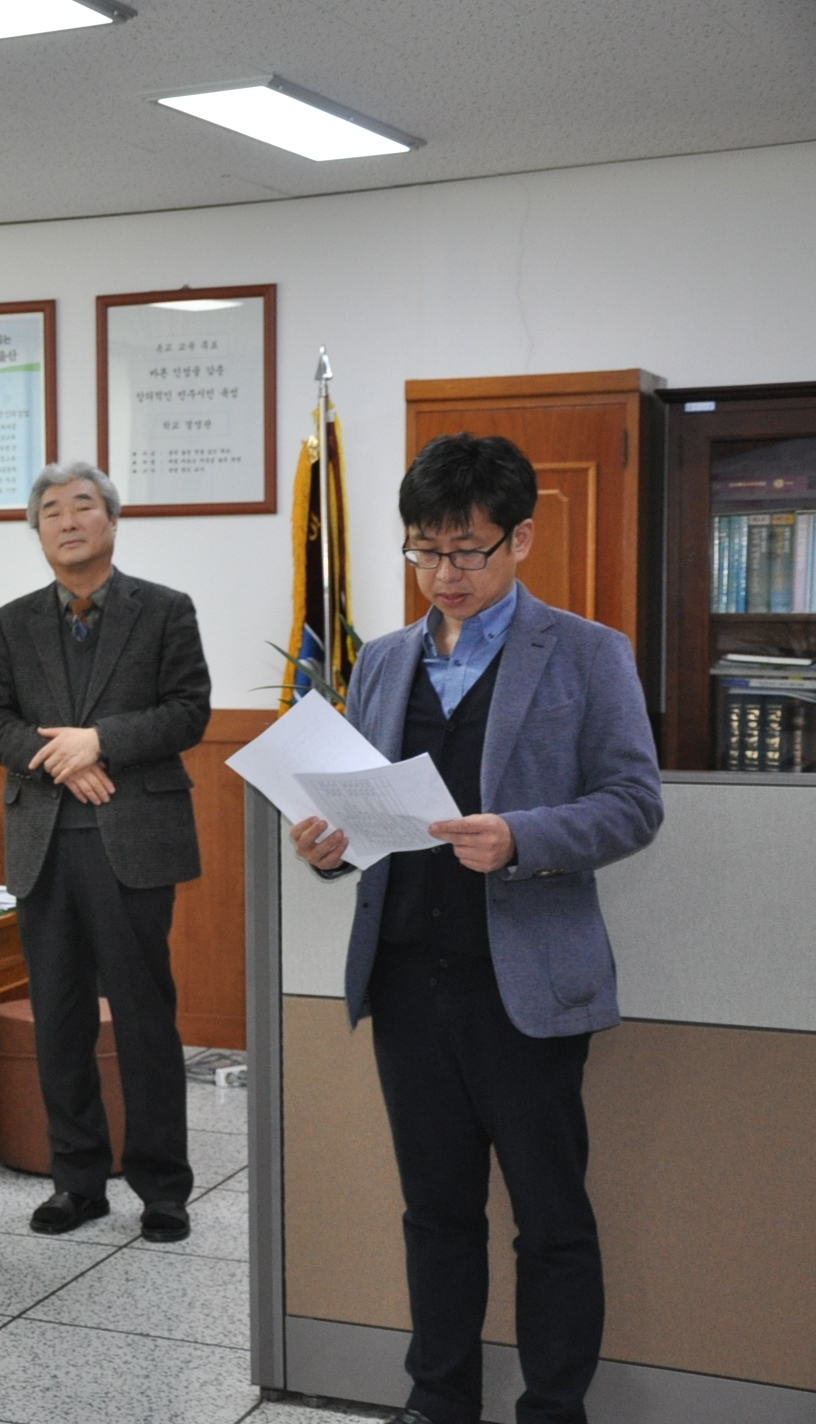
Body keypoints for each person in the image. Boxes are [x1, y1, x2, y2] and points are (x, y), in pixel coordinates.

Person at [290, 434, 662, 1424]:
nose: (443, 574)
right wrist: (327, 847)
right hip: (406, 977)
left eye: (466, 551)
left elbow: (633, 803)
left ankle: (552, 1407)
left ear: (520, 539)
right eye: (424, 551)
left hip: (524, 986)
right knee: (435, 1212)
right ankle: (438, 1398)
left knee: (550, 1219)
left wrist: (522, 836)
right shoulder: (382, 661)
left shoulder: (586, 652)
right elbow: (361, 812)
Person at [0, 460, 211, 1243]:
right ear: (37, 531)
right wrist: (61, 760)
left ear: (111, 519)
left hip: (133, 841)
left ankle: (163, 1189)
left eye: (82, 506)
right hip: (44, 843)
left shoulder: (165, 610)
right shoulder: (10, 622)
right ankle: (77, 1182)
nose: (67, 521)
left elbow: (189, 712)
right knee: (60, 1018)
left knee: (143, 1017)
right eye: (51, 511)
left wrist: (99, 741)